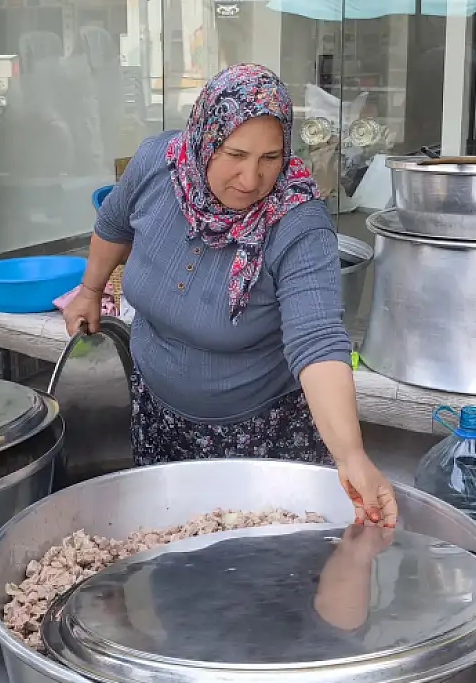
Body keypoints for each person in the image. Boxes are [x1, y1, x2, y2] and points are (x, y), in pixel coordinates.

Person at [64, 63, 400, 526]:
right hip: (155, 413)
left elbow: (317, 342)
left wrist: (351, 455)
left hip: (256, 441)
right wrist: (89, 290)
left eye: (270, 158)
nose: (250, 179)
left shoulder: (299, 223)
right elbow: (114, 226)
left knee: (251, 581)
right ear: (204, 138)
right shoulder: (158, 165)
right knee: (163, 554)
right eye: (235, 154)